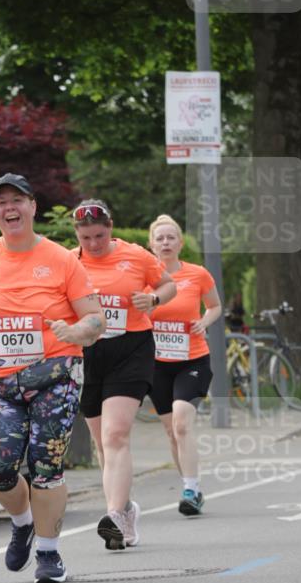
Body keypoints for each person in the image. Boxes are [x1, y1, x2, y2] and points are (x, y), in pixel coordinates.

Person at [0, 173, 105, 583]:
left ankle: (50, 555)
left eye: (17, 200)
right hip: (0, 384)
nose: (9, 208)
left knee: (46, 466)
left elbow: (95, 318)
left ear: (33, 206)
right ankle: (22, 522)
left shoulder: (61, 259)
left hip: (56, 376)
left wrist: (78, 332)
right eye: (0, 202)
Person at [71, 199, 176, 550]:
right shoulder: (69, 263)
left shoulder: (136, 256)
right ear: (77, 235)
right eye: (86, 238)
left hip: (131, 348)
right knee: (103, 444)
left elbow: (168, 285)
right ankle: (126, 510)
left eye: (100, 235)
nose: (94, 244)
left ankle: (114, 515)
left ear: (111, 228)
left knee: (116, 434)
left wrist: (154, 301)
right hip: (88, 354)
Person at [148, 214, 221, 516]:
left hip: (192, 359)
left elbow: (215, 306)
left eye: (171, 237)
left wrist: (204, 322)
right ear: (151, 244)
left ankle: (190, 488)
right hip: (156, 363)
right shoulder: (144, 278)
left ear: (180, 242)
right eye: (160, 238)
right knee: (170, 430)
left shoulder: (198, 274)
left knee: (181, 421)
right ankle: (191, 486)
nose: (166, 243)